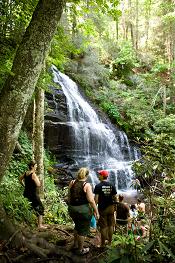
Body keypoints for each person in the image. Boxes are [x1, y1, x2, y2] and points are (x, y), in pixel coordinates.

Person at [68, 167, 99, 255]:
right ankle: (80, 250)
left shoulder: (72, 182)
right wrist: (96, 211)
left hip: (72, 209)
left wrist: (71, 206)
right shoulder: (87, 185)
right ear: (87, 175)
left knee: (77, 226)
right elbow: (91, 200)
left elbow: (69, 196)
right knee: (82, 230)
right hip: (83, 210)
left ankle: (75, 245)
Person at [19, 160, 45, 229]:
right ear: (32, 166)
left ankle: (26, 224)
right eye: (35, 165)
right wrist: (38, 178)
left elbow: (20, 179)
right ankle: (40, 225)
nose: (36, 167)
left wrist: (24, 185)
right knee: (40, 208)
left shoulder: (26, 173)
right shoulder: (33, 174)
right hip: (33, 195)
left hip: (26, 193)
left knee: (29, 208)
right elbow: (38, 184)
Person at [94, 170, 117, 248]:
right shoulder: (112, 185)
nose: (98, 175)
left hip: (102, 209)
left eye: (99, 174)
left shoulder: (98, 186)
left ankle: (103, 244)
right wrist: (115, 207)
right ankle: (110, 242)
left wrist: (94, 209)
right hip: (111, 208)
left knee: (103, 226)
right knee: (111, 225)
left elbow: (96, 200)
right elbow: (115, 198)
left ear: (102, 176)